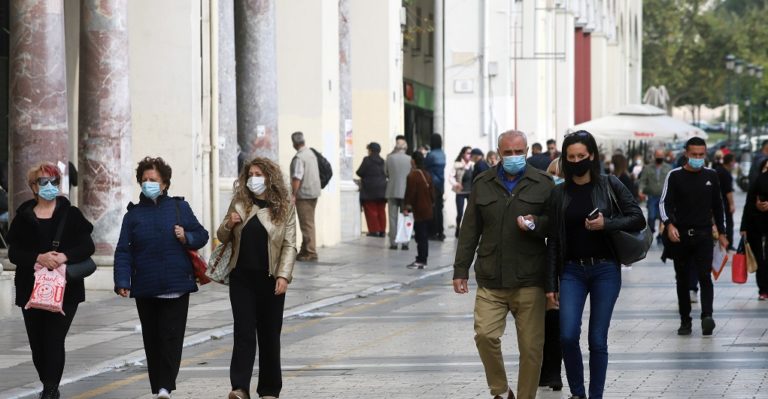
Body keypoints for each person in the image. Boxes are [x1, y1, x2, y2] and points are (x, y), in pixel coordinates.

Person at [453, 130, 554, 399]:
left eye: (518, 152)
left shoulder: (543, 183)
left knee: (532, 349)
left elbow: (555, 227)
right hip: (491, 277)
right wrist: (460, 270)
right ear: (498, 153)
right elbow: (470, 229)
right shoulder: (483, 181)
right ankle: (499, 390)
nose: (513, 157)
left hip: (530, 277)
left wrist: (536, 223)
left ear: (527, 152)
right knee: (485, 335)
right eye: (507, 152)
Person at [545, 130, 645, 399]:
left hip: (605, 269)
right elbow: (553, 239)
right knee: (566, 335)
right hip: (571, 271)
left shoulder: (610, 184)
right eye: (571, 157)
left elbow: (638, 218)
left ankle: (595, 396)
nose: (577, 160)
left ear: (592, 156)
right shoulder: (558, 194)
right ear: (564, 159)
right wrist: (549, 284)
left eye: (581, 155)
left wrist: (606, 224)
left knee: (597, 340)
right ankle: (578, 393)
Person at [114, 157, 209, 399]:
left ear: (165, 183)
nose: (148, 184)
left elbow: (201, 235)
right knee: (152, 339)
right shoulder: (133, 215)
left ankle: (166, 385)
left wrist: (186, 236)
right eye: (144, 180)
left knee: (171, 337)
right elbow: (124, 250)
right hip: (146, 287)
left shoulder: (179, 208)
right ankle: (158, 387)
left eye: (153, 180)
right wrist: (122, 281)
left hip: (177, 285)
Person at [8, 162, 95, 399]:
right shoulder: (23, 217)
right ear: (33, 187)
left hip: (66, 288)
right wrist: (39, 257)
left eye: (54, 181)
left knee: (54, 339)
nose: (49, 186)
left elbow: (88, 246)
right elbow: (14, 253)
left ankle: (50, 389)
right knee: (37, 344)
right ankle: (47, 382)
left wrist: (64, 257)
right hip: (30, 288)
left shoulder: (71, 213)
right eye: (43, 182)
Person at [217, 157, 297, 399]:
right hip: (242, 278)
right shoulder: (240, 203)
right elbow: (222, 236)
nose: (254, 178)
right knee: (243, 332)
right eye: (250, 174)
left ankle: (270, 389)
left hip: (271, 279)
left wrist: (284, 275)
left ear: (269, 177)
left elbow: (290, 245)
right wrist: (229, 224)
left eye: (258, 174)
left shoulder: (284, 207)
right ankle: (240, 387)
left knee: (270, 334)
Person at [660, 137, 728, 337]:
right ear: (686, 154)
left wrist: (722, 233)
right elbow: (664, 203)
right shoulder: (674, 176)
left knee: (705, 276)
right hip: (680, 236)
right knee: (681, 279)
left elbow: (718, 206)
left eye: (701, 154)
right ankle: (685, 320)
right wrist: (668, 224)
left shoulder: (711, 176)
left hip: (704, 234)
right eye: (694, 154)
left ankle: (707, 316)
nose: (698, 158)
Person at [540, 157, 564, 392]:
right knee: (544, 323)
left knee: (557, 321)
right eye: (553, 174)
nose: (556, 178)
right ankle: (544, 370)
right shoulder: (543, 197)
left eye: (560, 175)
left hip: (563, 266)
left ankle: (553, 371)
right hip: (541, 264)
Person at [290, 132, 321, 261]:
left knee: (306, 223)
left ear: (294, 143)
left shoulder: (300, 157)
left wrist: (293, 194)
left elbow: (297, 177)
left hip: (304, 194)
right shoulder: (311, 154)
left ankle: (310, 251)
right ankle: (304, 249)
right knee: (309, 222)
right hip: (313, 191)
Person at [740, 157, 768, 301]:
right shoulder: (758, 182)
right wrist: (743, 227)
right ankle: (763, 289)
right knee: (760, 259)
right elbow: (749, 204)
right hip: (757, 226)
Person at [403, 151, 434, 269]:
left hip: (419, 210)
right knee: (423, 236)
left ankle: (421, 260)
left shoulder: (412, 176)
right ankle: (423, 258)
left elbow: (409, 194)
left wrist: (406, 207)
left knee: (420, 236)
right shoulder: (427, 174)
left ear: (413, 161)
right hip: (428, 209)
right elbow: (432, 194)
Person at [638, 149, 673, 244]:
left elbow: (672, 182)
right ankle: (651, 231)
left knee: (663, 217)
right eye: (658, 156)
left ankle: (661, 235)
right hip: (652, 196)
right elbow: (643, 181)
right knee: (651, 216)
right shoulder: (648, 168)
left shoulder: (668, 168)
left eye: (661, 156)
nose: (659, 158)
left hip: (664, 197)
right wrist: (640, 191)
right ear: (654, 156)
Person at [385, 139, 413, 250]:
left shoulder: (389, 158)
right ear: (405, 148)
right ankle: (405, 241)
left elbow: (385, 172)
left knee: (392, 217)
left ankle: (393, 242)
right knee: (406, 216)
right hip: (406, 191)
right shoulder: (410, 159)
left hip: (392, 190)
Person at [356, 142, 388, 237]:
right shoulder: (383, 161)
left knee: (371, 210)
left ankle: (374, 230)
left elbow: (359, 172)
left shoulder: (367, 160)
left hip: (369, 189)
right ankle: (382, 231)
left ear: (370, 150)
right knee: (381, 210)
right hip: (382, 189)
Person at [424, 134, 446, 241]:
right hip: (441, 184)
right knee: (439, 209)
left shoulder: (431, 155)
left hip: (432, 183)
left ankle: (432, 232)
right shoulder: (442, 154)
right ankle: (440, 232)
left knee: (432, 209)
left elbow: (425, 166)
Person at [450, 146, 474, 237]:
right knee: (460, 213)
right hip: (460, 192)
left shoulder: (472, 164)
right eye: (468, 153)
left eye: (470, 153)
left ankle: (468, 231)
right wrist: (456, 184)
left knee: (471, 213)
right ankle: (458, 229)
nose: (469, 155)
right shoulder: (457, 164)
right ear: (463, 154)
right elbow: (450, 176)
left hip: (470, 192)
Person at [715, 153, 736, 251]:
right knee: (729, 222)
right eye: (733, 161)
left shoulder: (718, 170)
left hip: (717, 201)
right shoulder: (726, 174)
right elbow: (728, 191)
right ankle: (728, 243)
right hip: (724, 202)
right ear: (730, 162)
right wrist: (732, 204)